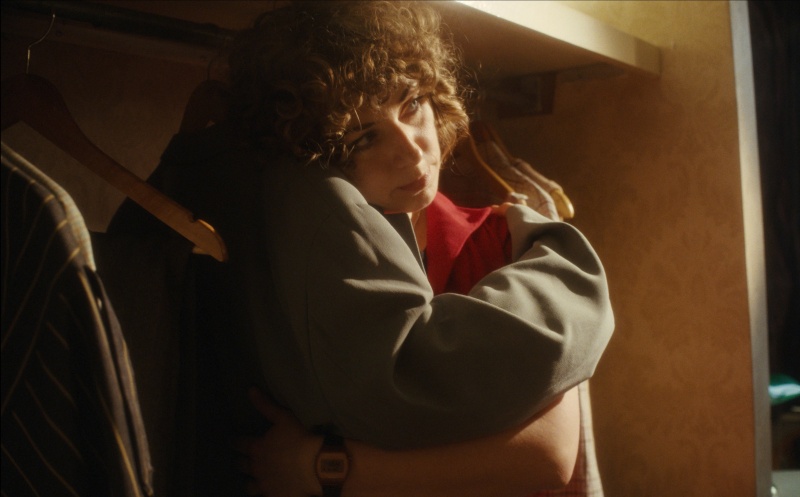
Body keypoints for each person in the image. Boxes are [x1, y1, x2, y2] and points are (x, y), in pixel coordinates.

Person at [106, 1, 614, 495]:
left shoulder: (500, 237)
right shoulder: (286, 261)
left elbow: (548, 455)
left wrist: (326, 468)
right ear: (315, 157)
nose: (412, 150)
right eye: (363, 138)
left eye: (411, 104)